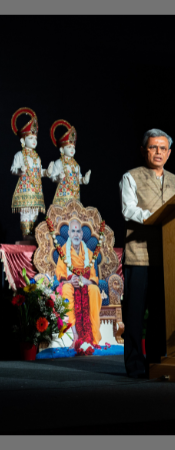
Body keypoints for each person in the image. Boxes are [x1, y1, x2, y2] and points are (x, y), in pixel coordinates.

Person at [120, 129, 175, 378]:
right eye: (153, 147)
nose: (158, 152)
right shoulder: (131, 177)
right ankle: (135, 366)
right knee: (135, 315)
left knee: (160, 315)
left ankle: (156, 363)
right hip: (138, 256)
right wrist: (154, 217)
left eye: (163, 148)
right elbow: (128, 210)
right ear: (145, 150)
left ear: (169, 153)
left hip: (166, 257)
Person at [56, 219, 103, 347]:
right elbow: (60, 273)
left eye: (78, 231)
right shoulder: (63, 252)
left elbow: (93, 275)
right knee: (66, 289)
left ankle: (94, 336)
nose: (76, 234)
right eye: (73, 231)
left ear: (82, 234)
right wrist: (70, 280)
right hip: (71, 282)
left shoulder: (88, 253)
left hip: (85, 282)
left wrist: (87, 281)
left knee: (94, 290)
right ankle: (75, 334)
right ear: (69, 234)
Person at [10, 107, 52, 239]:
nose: (34, 140)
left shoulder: (36, 157)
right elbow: (13, 169)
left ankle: (31, 233)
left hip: (36, 189)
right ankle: (25, 234)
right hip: (25, 188)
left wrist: (47, 172)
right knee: (26, 212)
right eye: (30, 138)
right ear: (23, 141)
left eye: (35, 138)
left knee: (34, 213)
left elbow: (39, 172)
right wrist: (20, 170)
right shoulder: (19, 155)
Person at [48, 119, 91, 206]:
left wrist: (84, 180)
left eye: (73, 147)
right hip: (62, 199)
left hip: (75, 199)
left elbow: (77, 179)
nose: (72, 150)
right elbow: (52, 177)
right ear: (62, 149)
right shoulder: (59, 163)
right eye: (69, 147)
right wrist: (58, 178)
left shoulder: (76, 165)